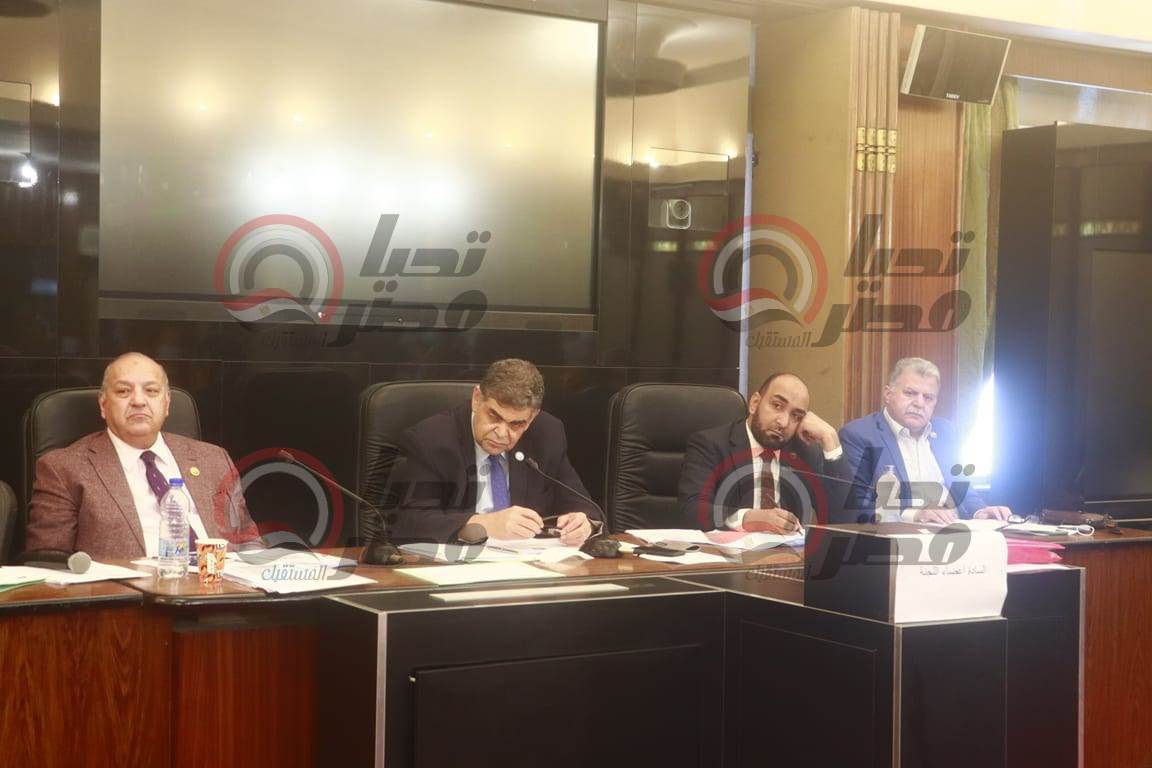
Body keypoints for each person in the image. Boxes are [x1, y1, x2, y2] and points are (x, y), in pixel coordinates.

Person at [25, 352, 262, 559]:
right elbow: (49, 564)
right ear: (103, 405)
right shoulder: (63, 469)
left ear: (166, 403)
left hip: (222, 590)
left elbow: (248, 541)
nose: (139, 401)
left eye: (151, 391)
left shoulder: (214, 459)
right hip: (125, 596)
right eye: (123, 391)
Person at [388, 359, 600, 545]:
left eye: (516, 424)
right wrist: (484, 525)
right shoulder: (432, 440)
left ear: (532, 418)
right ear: (477, 399)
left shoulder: (547, 435)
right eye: (494, 417)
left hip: (528, 566)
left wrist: (585, 524)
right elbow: (410, 524)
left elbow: (585, 507)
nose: (501, 433)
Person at [839, 357, 1012, 523]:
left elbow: (963, 487)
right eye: (910, 393)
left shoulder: (947, 432)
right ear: (888, 394)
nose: (919, 404)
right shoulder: (860, 435)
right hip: (901, 537)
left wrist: (980, 511)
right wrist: (915, 515)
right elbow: (856, 506)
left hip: (955, 529)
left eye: (928, 397)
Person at [678, 373, 852, 532]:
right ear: (754, 403)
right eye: (777, 406)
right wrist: (750, 519)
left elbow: (844, 521)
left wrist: (831, 441)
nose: (783, 422)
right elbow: (692, 510)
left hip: (786, 554)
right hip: (727, 553)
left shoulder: (806, 453)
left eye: (796, 416)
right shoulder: (711, 444)